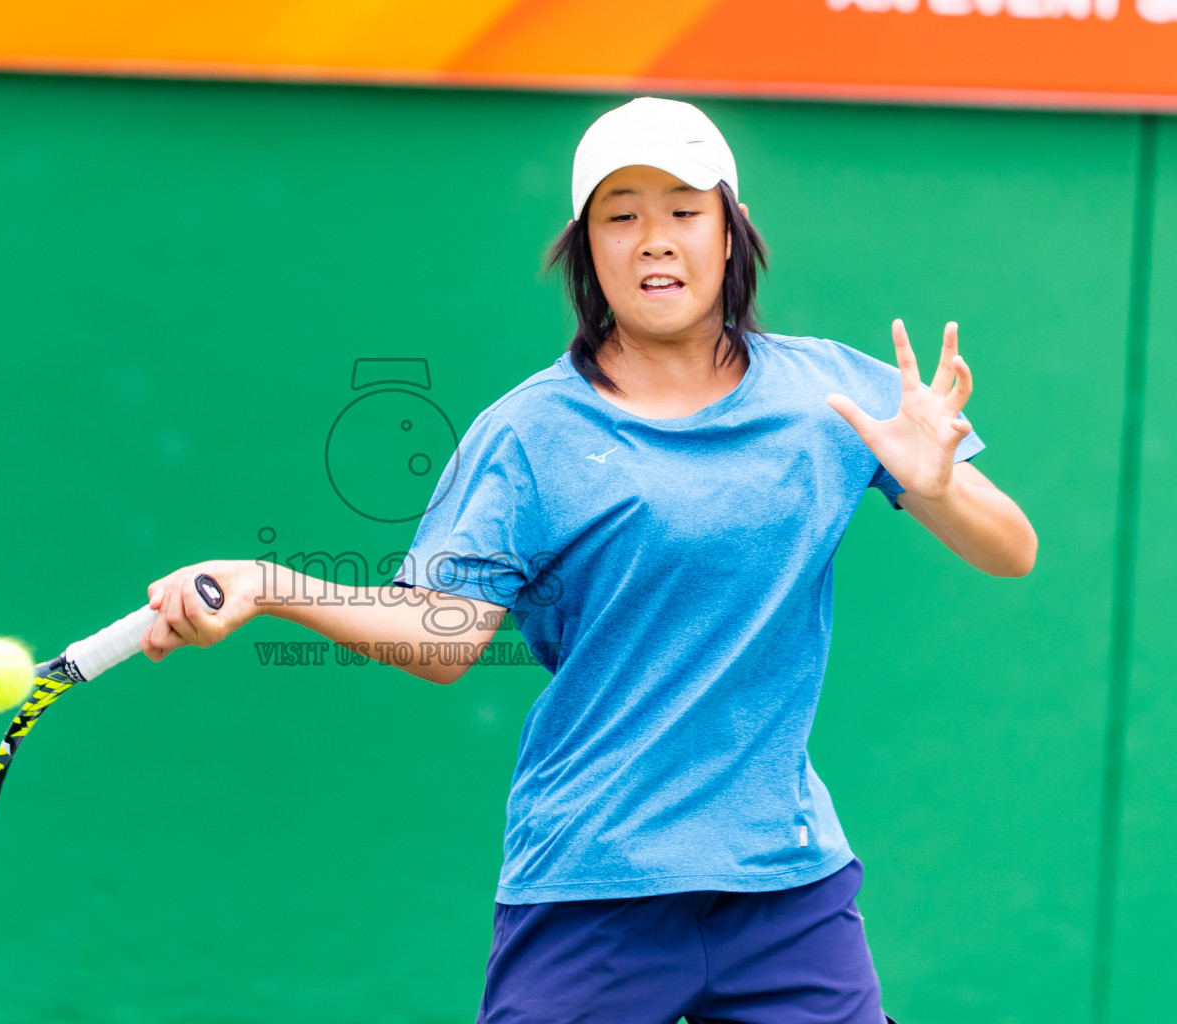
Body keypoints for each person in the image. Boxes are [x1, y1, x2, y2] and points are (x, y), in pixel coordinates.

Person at [139, 98, 1037, 1024]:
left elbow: (1012, 550)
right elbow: (442, 638)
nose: (656, 240)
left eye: (685, 211)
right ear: (587, 252)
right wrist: (267, 585)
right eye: (622, 215)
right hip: (593, 884)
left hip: (783, 884)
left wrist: (936, 487)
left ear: (730, 234)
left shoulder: (832, 397)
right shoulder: (529, 435)